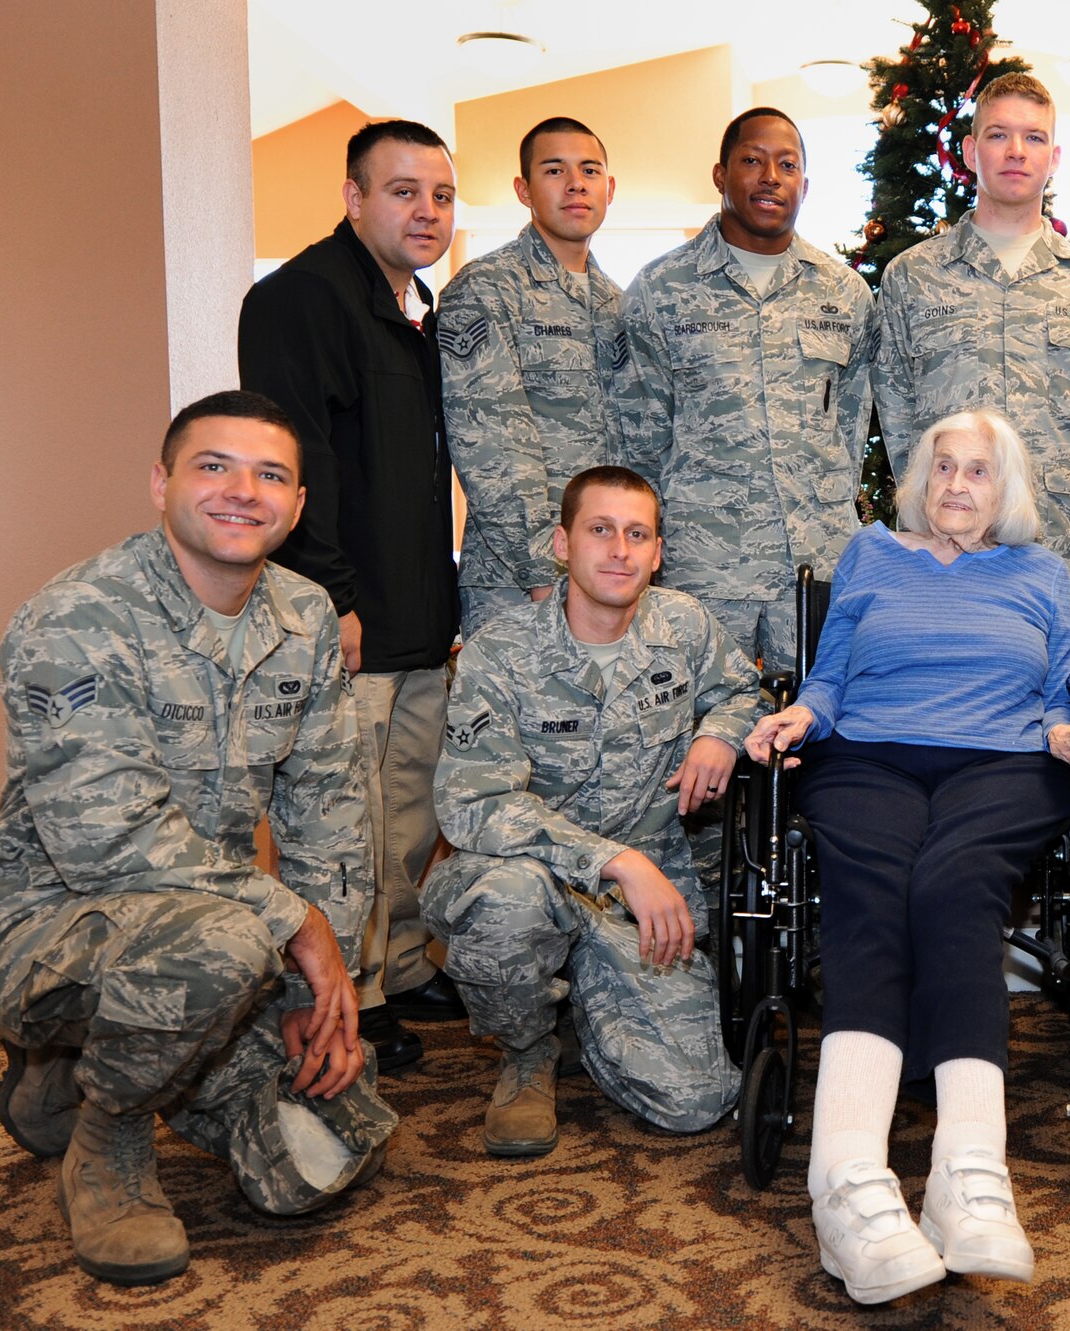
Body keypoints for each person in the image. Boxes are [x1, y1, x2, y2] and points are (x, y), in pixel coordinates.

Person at [0, 392, 394, 1286]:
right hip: (42, 924)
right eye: (213, 466)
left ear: (297, 504)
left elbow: (330, 808)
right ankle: (107, 1135)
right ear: (161, 483)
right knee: (223, 948)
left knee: (326, 1150)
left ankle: (65, 1070)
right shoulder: (78, 616)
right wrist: (293, 925)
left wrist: (321, 984)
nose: (243, 491)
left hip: (216, 928)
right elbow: (104, 839)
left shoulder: (305, 615)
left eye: (270, 474)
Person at [745, 409, 1070, 1305]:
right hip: (868, 755)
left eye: (978, 470)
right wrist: (803, 715)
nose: (956, 484)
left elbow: (1054, 688)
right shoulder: (871, 553)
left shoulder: (1040, 570)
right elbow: (830, 675)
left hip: (1003, 762)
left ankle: (968, 1171)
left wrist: (1062, 731)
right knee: (871, 890)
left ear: (1006, 487)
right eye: (942, 466)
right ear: (919, 478)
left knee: (955, 886)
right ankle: (844, 1178)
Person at [423, 466, 753, 1153]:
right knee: (506, 903)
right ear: (562, 543)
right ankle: (527, 1052)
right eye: (600, 529)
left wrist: (719, 734)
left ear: (658, 553)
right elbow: (475, 801)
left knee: (696, 1100)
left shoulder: (684, 626)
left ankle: (587, 1003)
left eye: (638, 534)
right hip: (536, 876)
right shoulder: (500, 652)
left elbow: (743, 691)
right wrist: (614, 859)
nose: (620, 550)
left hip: (643, 906)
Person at [239, 118, 467, 1068]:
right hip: (350, 614)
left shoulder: (417, 310)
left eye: (441, 195)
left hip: (419, 614)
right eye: (403, 191)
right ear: (354, 197)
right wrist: (333, 600)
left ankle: (403, 965)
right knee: (345, 822)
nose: (426, 212)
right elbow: (300, 465)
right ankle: (352, 995)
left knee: (409, 810)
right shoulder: (300, 297)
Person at [874, 73, 1070, 670]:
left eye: (1034, 137)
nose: (1016, 151)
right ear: (970, 150)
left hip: (1061, 550)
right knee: (940, 704)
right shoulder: (912, 279)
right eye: (998, 135)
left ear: (1055, 158)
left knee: (1068, 715)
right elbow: (897, 424)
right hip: (942, 559)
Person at [619, 107, 875, 674]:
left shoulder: (844, 293)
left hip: (816, 560)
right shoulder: (660, 289)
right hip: (705, 564)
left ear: (805, 184)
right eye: (753, 161)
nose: (771, 177)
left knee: (818, 715)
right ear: (720, 174)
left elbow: (851, 425)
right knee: (700, 716)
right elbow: (640, 439)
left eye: (787, 165)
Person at [440, 116, 633, 639]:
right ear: (524, 190)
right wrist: (546, 576)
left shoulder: (617, 304)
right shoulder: (486, 289)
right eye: (554, 170)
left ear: (609, 188)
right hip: (520, 587)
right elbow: (490, 444)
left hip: (610, 577)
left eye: (589, 170)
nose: (575, 184)